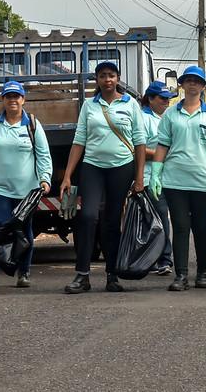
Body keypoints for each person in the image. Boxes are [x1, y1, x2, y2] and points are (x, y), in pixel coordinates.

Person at [59, 61, 146, 294]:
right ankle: (82, 275)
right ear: (96, 80)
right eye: (102, 76)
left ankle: (112, 275)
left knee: (111, 220)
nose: (107, 80)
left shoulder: (131, 104)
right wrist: (67, 176)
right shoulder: (89, 105)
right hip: (93, 166)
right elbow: (79, 141)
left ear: (118, 78)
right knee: (87, 216)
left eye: (111, 75)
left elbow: (139, 142)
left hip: (122, 167)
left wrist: (139, 177)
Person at [149, 66, 206, 291]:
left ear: (203, 86)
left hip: (204, 180)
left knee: (200, 227)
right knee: (180, 226)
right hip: (174, 179)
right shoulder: (170, 114)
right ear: (182, 84)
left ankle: (203, 273)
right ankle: (181, 275)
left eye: (197, 81)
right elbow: (163, 144)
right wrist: (155, 173)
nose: (193, 84)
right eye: (188, 80)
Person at [0, 80, 53, 290]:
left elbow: (43, 155)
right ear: (3, 100)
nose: (12, 100)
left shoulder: (33, 124)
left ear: (23, 99)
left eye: (16, 96)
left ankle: (23, 272)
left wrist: (45, 178)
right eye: (8, 96)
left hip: (27, 190)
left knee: (23, 231)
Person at [141, 80, 177, 276]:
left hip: (169, 177)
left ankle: (159, 258)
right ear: (151, 99)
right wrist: (161, 154)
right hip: (149, 177)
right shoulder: (143, 118)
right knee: (159, 217)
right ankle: (163, 258)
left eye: (168, 98)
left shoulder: (166, 117)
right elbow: (137, 149)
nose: (167, 102)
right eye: (163, 98)